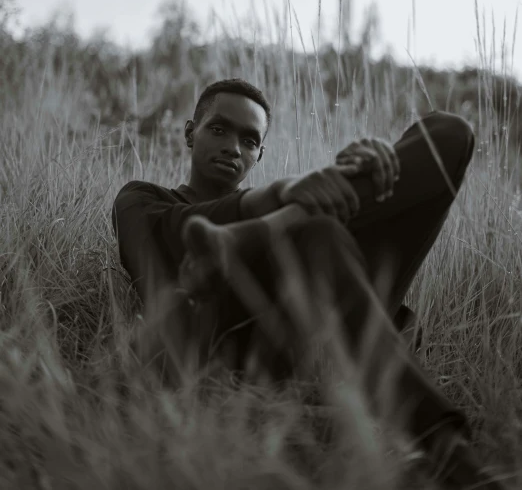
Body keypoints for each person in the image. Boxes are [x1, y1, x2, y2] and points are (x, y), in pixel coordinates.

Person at [112, 78, 506, 489]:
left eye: (249, 141)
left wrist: (362, 175)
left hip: (317, 326)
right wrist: (288, 192)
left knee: (449, 133)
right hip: (221, 342)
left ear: (259, 154)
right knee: (318, 233)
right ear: (190, 132)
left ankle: (255, 234)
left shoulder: (296, 207)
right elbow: (179, 232)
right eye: (218, 129)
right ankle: (445, 448)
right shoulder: (141, 197)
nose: (233, 146)